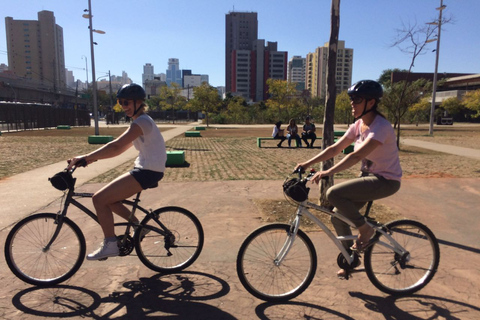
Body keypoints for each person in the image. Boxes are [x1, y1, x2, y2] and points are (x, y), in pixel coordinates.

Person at [295, 80, 402, 278]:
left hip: (386, 180)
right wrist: (306, 163)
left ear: (371, 103)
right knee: (337, 214)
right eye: (351, 99)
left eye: (357, 99)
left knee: (333, 193)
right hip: (369, 178)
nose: (352, 103)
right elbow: (334, 149)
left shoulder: (381, 127)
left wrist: (327, 172)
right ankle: (351, 258)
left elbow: (355, 156)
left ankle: (365, 230)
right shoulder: (359, 125)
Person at [67, 83, 167, 261]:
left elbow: (116, 146)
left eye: (126, 102)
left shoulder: (141, 122)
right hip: (146, 169)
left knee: (99, 199)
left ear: (138, 102)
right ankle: (138, 226)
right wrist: (90, 159)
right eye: (121, 102)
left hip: (148, 171)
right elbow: (120, 149)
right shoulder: (140, 122)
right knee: (108, 199)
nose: (124, 107)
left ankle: (111, 244)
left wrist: (86, 157)